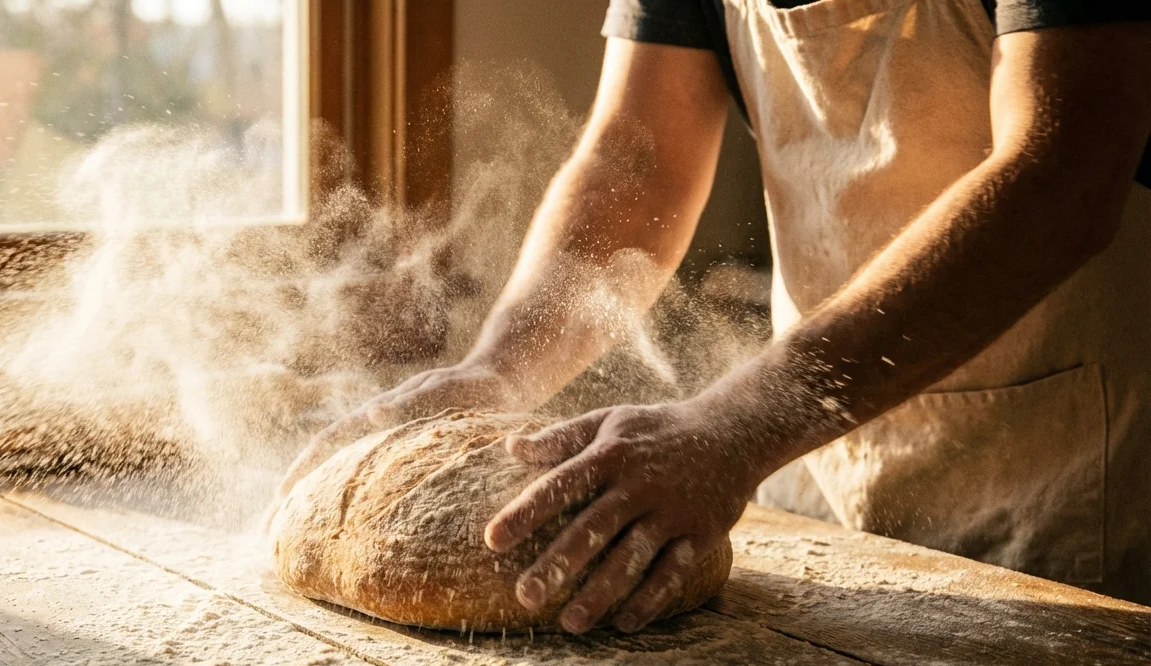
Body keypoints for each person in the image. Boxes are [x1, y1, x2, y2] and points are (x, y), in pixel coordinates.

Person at [278, 0, 1151, 633]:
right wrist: (498, 370)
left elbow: (1062, 173)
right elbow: (636, 163)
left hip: (1073, 474)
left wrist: (736, 424)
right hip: (823, 453)